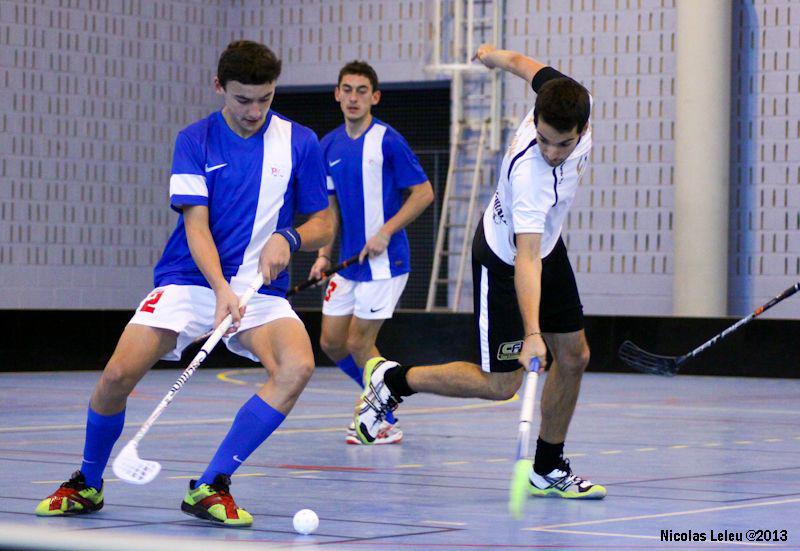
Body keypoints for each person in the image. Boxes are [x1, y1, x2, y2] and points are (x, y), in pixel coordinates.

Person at [35, 40, 333, 526]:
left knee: (296, 367)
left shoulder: (300, 142)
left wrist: (291, 236)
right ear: (219, 87)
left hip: (260, 290)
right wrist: (219, 289)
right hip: (191, 281)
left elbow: (323, 222)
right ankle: (87, 481)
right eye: (243, 99)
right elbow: (197, 225)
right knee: (115, 376)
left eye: (265, 98)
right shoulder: (195, 140)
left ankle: (212, 485)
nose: (255, 111)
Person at [354, 44, 606, 499]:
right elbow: (525, 259)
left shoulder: (565, 95)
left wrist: (494, 55)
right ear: (536, 120)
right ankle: (393, 380)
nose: (550, 151)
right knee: (501, 385)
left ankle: (548, 466)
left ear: (583, 128)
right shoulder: (530, 176)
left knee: (575, 356)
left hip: (547, 247)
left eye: (562, 143)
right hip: (506, 258)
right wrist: (533, 332)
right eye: (544, 139)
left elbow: (524, 66)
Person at [308, 61, 434, 445]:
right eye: (347, 89)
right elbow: (329, 211)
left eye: (362, 90)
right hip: (348, 264)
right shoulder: (327, 145)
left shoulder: (388, 140)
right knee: (331, 342)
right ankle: (381, 396)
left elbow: (424, 193)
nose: (353, 97)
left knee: (359, 343)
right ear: (337, 94)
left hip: (386, 262)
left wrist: (386, 231)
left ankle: (381, 414)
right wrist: (323, 256)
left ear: (374, 97)